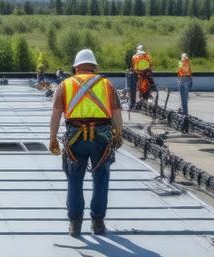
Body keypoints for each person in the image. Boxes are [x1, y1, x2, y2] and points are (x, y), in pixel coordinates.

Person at [49, 49, 124, 238]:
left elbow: (56, 113)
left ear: (76, 67)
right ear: (94, 66)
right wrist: (119, 134)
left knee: (74, 179)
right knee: (101, 178)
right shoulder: (106, 84)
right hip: (102, 138)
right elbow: (116, 113)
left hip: (76, 138)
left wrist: (52, 137)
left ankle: (75, 224)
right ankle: (97, 223)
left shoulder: (65, 85)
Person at [130, 44, 153, 108]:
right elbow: (151, 66)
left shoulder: (135, 57)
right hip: (147, 75)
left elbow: (134, 67)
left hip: (139, 75)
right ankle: (146, 100)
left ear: (137, 50)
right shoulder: (148, 57)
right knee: (147, 87)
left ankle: (142, 101)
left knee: (140, 88)